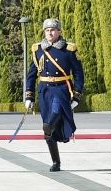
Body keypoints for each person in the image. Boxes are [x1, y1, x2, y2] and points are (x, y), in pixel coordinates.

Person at [24, 18, 84, 172]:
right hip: (45, 91)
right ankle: (56, 162)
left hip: (62, 90)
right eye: (47, 30)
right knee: (47, 130)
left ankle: (56, 154)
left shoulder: (68, 50)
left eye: (52, 30)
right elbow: (31, 75)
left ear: (59, 32)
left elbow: (78, 74)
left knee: (51, 122)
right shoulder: (37, 49)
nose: (49, 33)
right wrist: (29, 96)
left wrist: (76, 95)